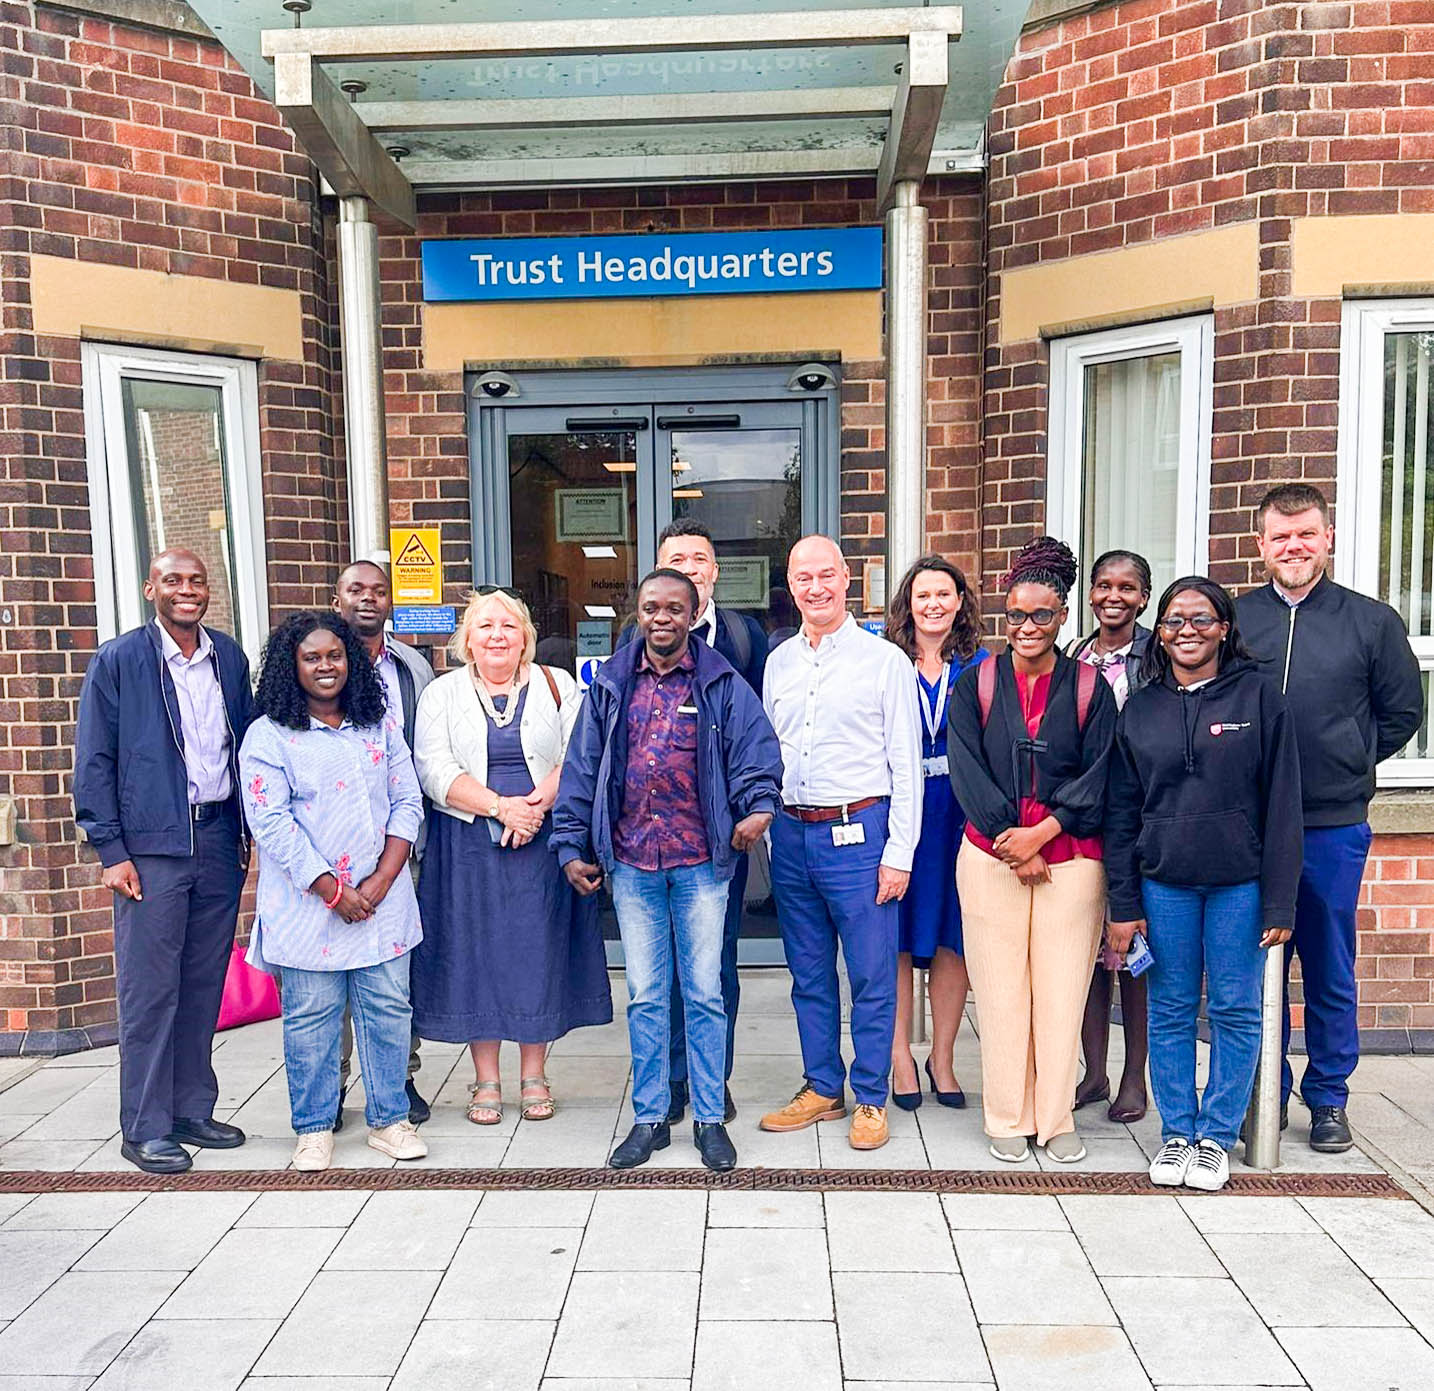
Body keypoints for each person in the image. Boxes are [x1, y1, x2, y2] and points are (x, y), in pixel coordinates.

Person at [553, 569, 783, 1171]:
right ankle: (651, 1117)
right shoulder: (610, 684)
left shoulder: (721, 681)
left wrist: (757, 810)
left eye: (675, 608)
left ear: (694, 610)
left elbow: (757, 755)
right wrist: (571, 844)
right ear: (638, 611)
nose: (662, 618)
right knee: (648, 996)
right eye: (652, 606)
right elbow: (582, 767)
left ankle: (709, 1118)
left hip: (703, 862)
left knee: (705, 993)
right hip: (631, 862)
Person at [1236, 483, 1424, 1152]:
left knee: (1327, 963)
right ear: (1261, 544)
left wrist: (1349, 759)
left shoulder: (1370, 622)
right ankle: (1263, 1089)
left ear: (1328, 538)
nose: (1294, 546)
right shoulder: (1237, 620)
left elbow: (1403, 712)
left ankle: (1328, 1098)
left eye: (1306, 534)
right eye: (1281, 536)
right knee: (1253, 968)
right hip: (1248, 826)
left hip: (1330, 824)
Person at [1106, 577, 1302, 1191]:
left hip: (1239, 886)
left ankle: (1215, 1137)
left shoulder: (1259, 698)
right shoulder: (1140, 708)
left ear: (1224, 627)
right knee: (1168, 1009)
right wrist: (1123, 900)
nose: (1186, 631)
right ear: (1158, 634)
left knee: (1236, 1010)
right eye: (1173, 621)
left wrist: (1279, 897)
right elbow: (1120, 810)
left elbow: (1282, 805)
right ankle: (1176, 1134)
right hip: (1163, 884)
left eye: (1201, 619)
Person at [74, 549, 253, 1175]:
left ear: (210, 590)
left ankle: (190, 1109)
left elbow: (246, 744)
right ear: (151, 587)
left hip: (217, 840)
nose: (186, 590)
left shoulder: (228, 657)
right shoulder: (120, 660)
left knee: (204, 985)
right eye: (173, 580)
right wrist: (110, 850)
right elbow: (94, 759)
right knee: (151, 991)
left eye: (197, 581)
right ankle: (144, 1126)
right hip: (149, 849)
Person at [412, 589, 611, 1126]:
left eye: (508, 626)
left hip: (541, 843)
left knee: (536, 953)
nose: (497, 635)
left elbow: (579, 755)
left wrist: (533, 811)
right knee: (476, 956)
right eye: (485, 627)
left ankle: (533, 1074)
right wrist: (502, 809)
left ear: (525, 636)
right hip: (468, 847)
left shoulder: (558, 684)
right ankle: (485, 1080)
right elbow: (432, 769)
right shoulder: (441, 693)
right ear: (466, 640)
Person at [947, 536, 1116, 1164]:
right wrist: (1011, 843)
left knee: (1062, 989)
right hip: (989, 857)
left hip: (1071, 862)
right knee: (999, 993)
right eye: (1015, 615)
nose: (1026, 627)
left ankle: (1055, 1118)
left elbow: (1102, 771)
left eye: (1041, 615)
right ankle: (1007, 1115)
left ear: (1063, 616)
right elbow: (965, 769)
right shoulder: (978, 684)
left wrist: (1043, 834)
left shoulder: (1090, 688)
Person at [239, 612, 427, 1171]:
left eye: (335, 655)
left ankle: (390, 1120)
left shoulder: (379, 725)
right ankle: (315, 1127)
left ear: (351, 660)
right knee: (312, 1018)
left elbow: (407, 803)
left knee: (388, 1011)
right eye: (312, 658)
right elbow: (270, 823)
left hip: (382, 900)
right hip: (307, 907)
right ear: (290, 668)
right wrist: (332, 890)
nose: (326, 666)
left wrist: (380, 881)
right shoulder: (269, 735)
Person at [759, 536, 923, 1153]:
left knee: (872, 974)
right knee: (807, 973)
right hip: (794, 834)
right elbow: (768, 753)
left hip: (862, 836)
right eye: (804, 577)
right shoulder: (779, 662)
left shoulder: (885, 662)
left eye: (826, 575)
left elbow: (906, 766)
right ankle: (822, 1087)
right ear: (791, 584)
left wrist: (898, 854)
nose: (816, 587)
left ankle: (872, 1096)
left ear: (847, 578)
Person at [619, 517, 768, 1125]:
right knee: (655, 982)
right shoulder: (627, 649)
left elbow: (754, 729)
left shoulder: (745, 636)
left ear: (712, 574)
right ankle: (670, 1083)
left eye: (699, 558)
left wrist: (753, 807)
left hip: (714, 843)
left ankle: (712, 1080)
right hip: (642, 846)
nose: (689, 566)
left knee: (713, 970)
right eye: (675, 557)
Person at [331, 559, 435, 1129]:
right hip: (333, 851)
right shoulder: (316, 659)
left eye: (378, 591)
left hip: (402, 843)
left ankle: (399, 1078)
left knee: (396, 974)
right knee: (332, 980)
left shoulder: (412, 665)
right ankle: (336, 1081)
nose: (367, 599)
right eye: (356, 590)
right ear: (337, 597)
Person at [883, 555, 988, 1110]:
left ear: (959, 602)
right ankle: (900, 1056)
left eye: (944, 594)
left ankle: (942, 1059)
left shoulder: (981, 665)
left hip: (960, 813)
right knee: (897, 938)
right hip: (903, 811)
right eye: (923, 595)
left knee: (955, 936)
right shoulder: (885, 661)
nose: (934, 605)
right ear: (908, 603)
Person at [1067, 549, 1154, 1123]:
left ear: (1144, 597)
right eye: (1104, 585)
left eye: (1127, 587)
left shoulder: (1160, 656)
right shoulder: (1075, 655)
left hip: (1142, 823)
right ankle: (1093, 1072)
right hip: (1082, 826)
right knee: (1088, 959)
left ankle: (1133, 1078)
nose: (1113, 597)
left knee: (1137, 957)